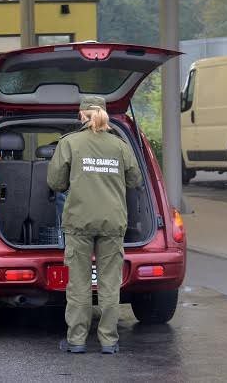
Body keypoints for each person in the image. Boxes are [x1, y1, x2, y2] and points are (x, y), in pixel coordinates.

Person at [47, 96, 143, 355]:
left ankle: (77, 340)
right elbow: (135, 179)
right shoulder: (119, 145)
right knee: (109, 284)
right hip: (112, 221)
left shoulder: (69, 143)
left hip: (79, 221)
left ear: (81, 115)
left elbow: (55, 182)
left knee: (78, 284)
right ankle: (109, 341)